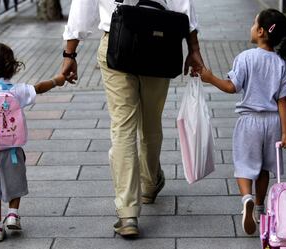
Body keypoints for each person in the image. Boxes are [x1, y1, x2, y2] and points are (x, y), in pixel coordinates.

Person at [61, 0, 204, 237]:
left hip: (118, 39)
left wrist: (70, 53)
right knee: (151, 121)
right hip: (161, 38)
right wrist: (194, 48)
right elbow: (183, 6)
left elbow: (82, 9)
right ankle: (148, 185)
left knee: (122, 126)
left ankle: (128, 213)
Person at [200, 9, 286, 235]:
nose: (251, 27)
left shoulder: (245, 57)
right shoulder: (283, 63)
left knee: (244, 165)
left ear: (261, 31)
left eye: (254, 24)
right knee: (263, 168)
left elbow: (231, 87)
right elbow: (284, 101)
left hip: (249, 123)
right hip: (273, 123)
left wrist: (209, 77)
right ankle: (261, 208)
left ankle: (246, 199)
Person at [0, 42, 68, 242]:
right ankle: (12, 213)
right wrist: (56, 80)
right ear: (11, 67)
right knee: (15, 181)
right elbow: (37, 88)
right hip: (11, 148)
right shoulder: (16, 90)